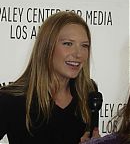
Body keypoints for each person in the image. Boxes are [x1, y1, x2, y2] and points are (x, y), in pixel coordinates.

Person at [0, 11, 99, 144]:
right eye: (68, 43)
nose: (78, 54)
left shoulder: (88, 92)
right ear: (46, 47)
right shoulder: (10, 99)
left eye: (84, 46)